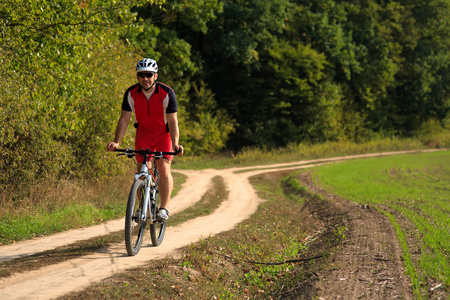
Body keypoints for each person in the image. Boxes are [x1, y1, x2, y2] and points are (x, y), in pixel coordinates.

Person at [106, 58, 184, 222]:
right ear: (137, 76)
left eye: (149, 74)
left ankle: (163, 208)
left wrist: (176, 143)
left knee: (163, 168)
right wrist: (117, 142)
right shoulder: (131, 93)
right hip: (143, 134)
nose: (145, 78)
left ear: (155, 75)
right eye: (142, 75)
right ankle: (142, 206)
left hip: (163, 135)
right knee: (141, 171)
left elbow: (172, 121)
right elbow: (124, 119)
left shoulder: (167, 93)